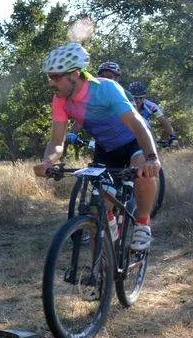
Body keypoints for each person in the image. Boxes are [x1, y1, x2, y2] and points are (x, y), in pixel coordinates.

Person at [33, 43, 162, 251]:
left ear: (74, 74)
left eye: (55, 77)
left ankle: (143, 223)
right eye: (49, 77)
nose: (51, 83)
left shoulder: (105, 89)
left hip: (133, 141)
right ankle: (103, 264)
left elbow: (137, 125)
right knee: (97, 212)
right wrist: (47, 161)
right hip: (106, 149)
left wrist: (152, 158)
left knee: (144, 173)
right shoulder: (60, 100)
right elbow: (57, 141)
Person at [126, 81, 177, 145]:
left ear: (144, 97)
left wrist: (173, 136)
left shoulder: (152, 106)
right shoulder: (125, 104)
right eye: (135, 98)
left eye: (141, 98)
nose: (138, 100)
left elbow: (163, 120)